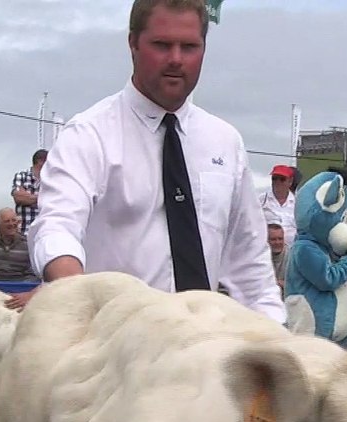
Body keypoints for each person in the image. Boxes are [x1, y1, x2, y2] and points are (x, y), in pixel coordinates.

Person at [18, 0, 284, 322]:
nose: (175, 59)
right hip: (114, 352)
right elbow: (57, 225)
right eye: (161, 45)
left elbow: (250, 265)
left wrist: (276, 336)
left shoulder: (226, 142)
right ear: (133, 43)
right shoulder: (88, 135)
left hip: (203, 349)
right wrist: (71, 288)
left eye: (189, 47)